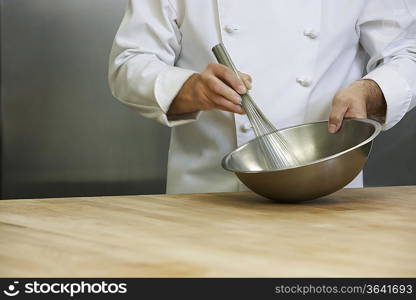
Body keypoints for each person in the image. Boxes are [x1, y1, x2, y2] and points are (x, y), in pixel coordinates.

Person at [109, 0, 416, 194]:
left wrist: (372, 91)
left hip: (329, 197)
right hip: (210, 198)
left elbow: (408, 53)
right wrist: (190, 88)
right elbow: (130, 64)